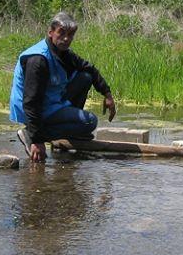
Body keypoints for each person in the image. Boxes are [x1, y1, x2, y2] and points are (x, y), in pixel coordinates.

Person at [9, 12, 116, 163]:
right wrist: (37, 140)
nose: (66, 39)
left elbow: (89, 69)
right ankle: (30, 134)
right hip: (32, 109)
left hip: (50, 101)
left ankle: (69, 131)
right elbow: (31, 102)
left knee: (85, 77)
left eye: (70, 35)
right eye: (61, 33)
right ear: (51, 32)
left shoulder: (63, 53)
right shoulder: (38, 60)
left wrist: (107, 94)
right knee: (89, 121)